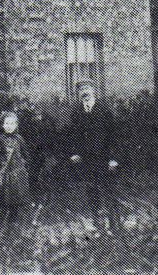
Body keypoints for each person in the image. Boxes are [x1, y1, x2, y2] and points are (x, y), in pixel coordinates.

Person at [65, 79, 122, 234]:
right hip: (87, 160)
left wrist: (113, 158)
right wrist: (75, 152)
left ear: (94, 90)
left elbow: (114, 136)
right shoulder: (77, 113)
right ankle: (98, 224)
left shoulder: (104, 110)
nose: (85, 92)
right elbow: (73, 136)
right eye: (81, 90)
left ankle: (114, 225)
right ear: (78, 94)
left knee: (109, 190)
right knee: (92, 191)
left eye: (87, 88)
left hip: (105, 158)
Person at [0, 111, 32, 224]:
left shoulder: (19, 139)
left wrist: (23, 165)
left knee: (18, 195)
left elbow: (26, 155)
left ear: (16, 125)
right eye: (6, 123)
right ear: (2, 125)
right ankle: (6, 218)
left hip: (18, 171)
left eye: (12, 124)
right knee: (6, 195)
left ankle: (17, 219)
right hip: (5, 172)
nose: (9, 126)